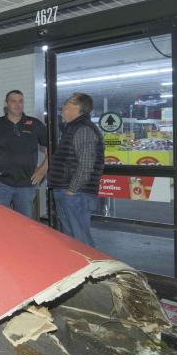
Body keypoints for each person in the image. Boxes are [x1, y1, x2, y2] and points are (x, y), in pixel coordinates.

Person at [48, 92, 104, 246]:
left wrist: (71, 191)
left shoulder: (83, 129)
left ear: (77, 108)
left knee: (81, 240)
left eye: (67, 103)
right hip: (70, 192)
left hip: (75, 193)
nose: (63, 106)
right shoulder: (72, 128)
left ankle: (92, 269)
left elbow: (86, 164)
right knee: (72, 239)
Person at [0, 90, 48, 219]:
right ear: (6, 104)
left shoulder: (35, 124)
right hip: (2, 183)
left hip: (27, 184)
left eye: (21, 101)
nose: (18, 104)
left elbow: (53, 147)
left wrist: (43, 168)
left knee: (24, 221)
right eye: (13, 101)